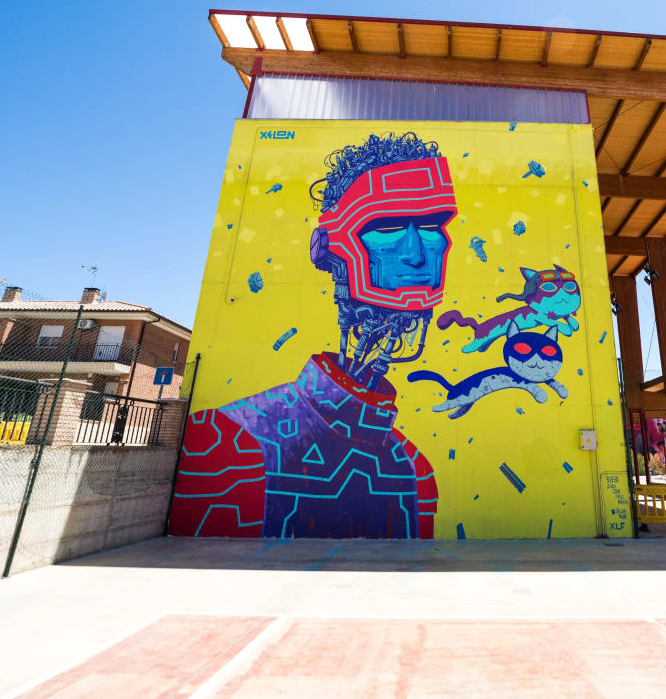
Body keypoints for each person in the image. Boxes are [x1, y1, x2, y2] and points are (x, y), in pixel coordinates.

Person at [169, 133, 456, 539]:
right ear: (331, 247)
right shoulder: (228, 441)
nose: (415, 252)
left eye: (430, 225)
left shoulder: (414, 472)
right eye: (387, 226)